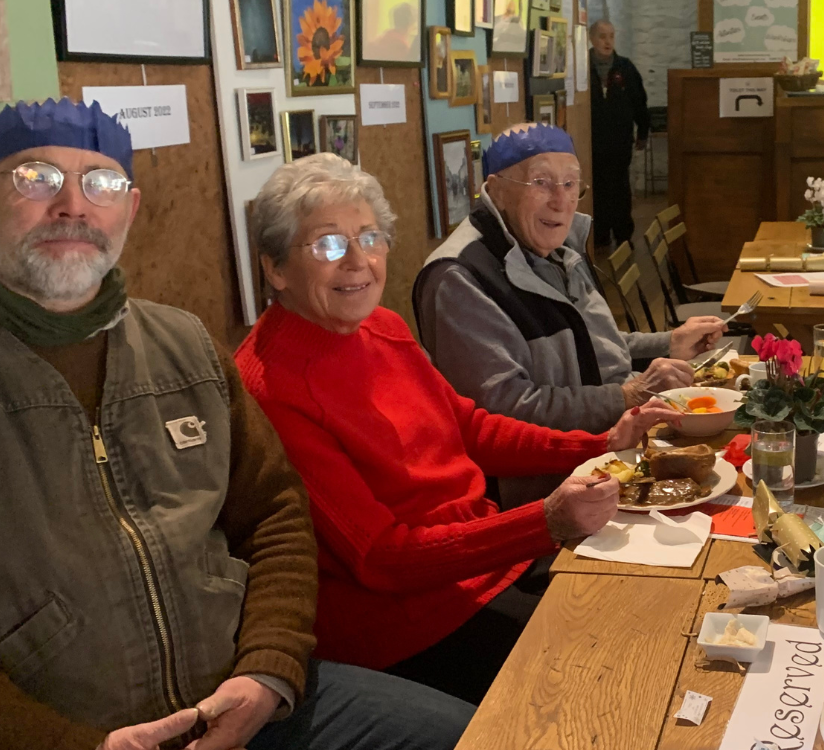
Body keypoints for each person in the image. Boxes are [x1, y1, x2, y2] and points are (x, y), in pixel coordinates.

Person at [0, 99, 472, 750]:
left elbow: (275, 514)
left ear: (129, 210)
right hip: (64, 736)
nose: (74, 205)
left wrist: (268, 670)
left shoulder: (184, 346)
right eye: (37, 178)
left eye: (102, 183)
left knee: (488, 735)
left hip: (248, 702)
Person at [236, 152, 682, 706]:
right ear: (276, 268)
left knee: (656, 618)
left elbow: (469, 428)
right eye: (328, 245)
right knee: (611, 682)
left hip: (487, 567)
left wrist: (599, 443)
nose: (358, 262)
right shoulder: (272, 386)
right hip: (410, 624)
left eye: (370, 238)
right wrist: (543, 522)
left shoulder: (381, 325)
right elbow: (382, 557)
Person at [413, 123, 725, 475]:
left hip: (607, 455)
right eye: (540, 183)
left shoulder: (552, 247)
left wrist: (669, 343)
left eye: (570, 183)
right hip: (541, 488)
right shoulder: (460, 277)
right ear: (495, 190)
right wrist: (627, 396)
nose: (561, 201)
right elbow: (503, 411)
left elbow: (584, 344)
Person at [587, 19, 649, 250]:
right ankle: (600, 234)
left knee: (620, 188)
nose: (607, 41)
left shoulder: (625, 67)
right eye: (602, 36)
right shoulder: (583, 66)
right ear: (592, 39)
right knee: (598, 188)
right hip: (592, 141)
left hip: (620, 141)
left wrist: (643, 131)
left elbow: (639, 102)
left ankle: (623, 235)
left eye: (611, 36)